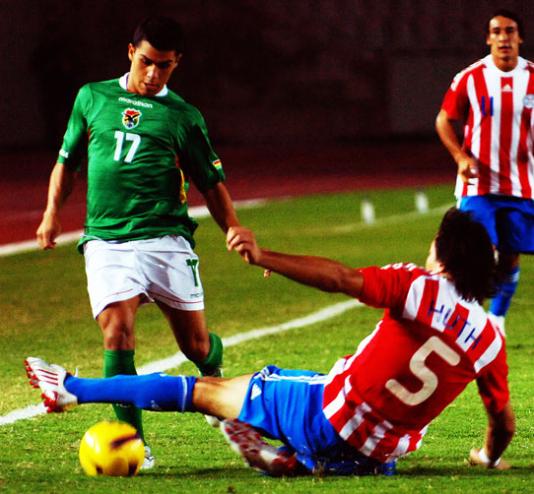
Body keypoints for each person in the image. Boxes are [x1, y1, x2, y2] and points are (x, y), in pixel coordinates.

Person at [26, 209, 515, 476]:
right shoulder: (491, 338)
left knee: (206, 391)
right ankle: (295, 460)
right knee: (300, 381)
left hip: (329, 418)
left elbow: (340, 279)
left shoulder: (420, 287)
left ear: (442, 253)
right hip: (380, 452)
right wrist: (488, 458)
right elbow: (503, 423)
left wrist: (267, 257)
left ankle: (72, 389)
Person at [35, 17, 242, 468]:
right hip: (107, 239)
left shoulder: (184, 117)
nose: (153, 74)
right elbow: (66, 161)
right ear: (130, 53)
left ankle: (212, 368)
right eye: (146, 61)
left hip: (166, 238)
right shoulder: (92, 97)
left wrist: (232, 227)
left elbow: (211, 183)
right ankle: (132, 442)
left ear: (176, 63)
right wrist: (51, 213)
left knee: (195, 345)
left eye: (163, 66)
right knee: (117, 331)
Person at [435, 9, 534, 331]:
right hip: (478, 185)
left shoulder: (533, 77)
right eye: (497, 32)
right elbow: (444, 119)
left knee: (510, 255)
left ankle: (497, 320)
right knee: (476, 253)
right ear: (488, 38)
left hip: (522, 186)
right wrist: (460, 157)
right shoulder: (471, 77)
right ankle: (467, 320)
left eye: (510, 31)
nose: (504, 38)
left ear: (520, 37)